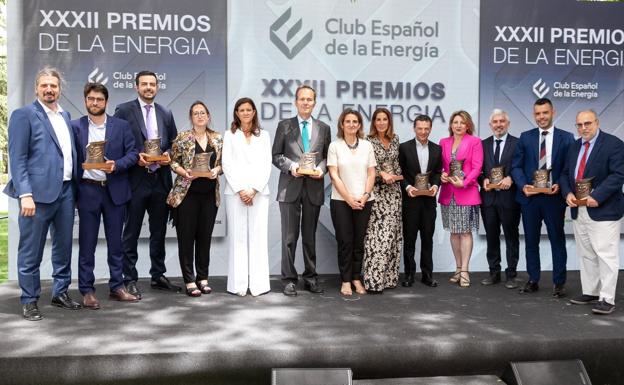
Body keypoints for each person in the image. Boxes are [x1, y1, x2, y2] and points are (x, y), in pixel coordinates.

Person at [4, 67, 81, 320]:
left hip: (66, 191)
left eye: (54, 86)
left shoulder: (65, 114)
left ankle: (60, 293)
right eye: (45, 85)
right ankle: (29, 299)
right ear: (36, 88)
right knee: (31, 250)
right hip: (35, 196)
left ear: (60, 89)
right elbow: (18, 158)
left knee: (63, 248)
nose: (49, 89)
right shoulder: (23, 115)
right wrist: (24, 193)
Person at [72, 83, 139, 308]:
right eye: (91, 99)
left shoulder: (121, 126)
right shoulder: (75, 127)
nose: (95, 103)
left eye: (99, 99)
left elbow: (133, 153)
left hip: (114, 191)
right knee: (87, 244)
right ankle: (87, 290)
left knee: (116, 244)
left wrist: (116, 165)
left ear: (106, 102)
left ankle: (117, 287)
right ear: (85, 101)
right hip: (88, 190)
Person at [114, 70, 179, 299]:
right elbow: (116, 142)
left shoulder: (165, 112)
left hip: (159, 180)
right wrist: (135, 156)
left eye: (152, 84)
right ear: (136, 87)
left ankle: (158, 275)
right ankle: (128, 278)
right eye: (144, 84)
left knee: (158, 231)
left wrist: (169, 154)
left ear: (157, 87)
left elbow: (173, 143)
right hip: (135, 180)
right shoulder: (124, 110)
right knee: (130, 232)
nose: (149, 87)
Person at [561, 110, 624, 314]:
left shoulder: (613, 144)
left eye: (587, 123)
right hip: (579, 210)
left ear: (597, 122)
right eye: (579, 125)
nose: (583, 128)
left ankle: (607, 298)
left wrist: (598, 196)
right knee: (586, 254)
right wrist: (567, 193)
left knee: (605, 255)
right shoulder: (573, 146)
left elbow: (618, 175)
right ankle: (591, 291)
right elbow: (563, 174)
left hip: (603, 209)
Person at [511, 98, 574, 297]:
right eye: (538, 113)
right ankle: (533, 279)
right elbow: (516, 167)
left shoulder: (566, 138)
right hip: (530, 199)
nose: (541, 117)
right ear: (534, 115)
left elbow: (569, 168)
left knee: (557, 239)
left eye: (545, 113)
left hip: (554, 199)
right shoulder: (525, 137)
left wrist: (560, 185)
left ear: (552, 112)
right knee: (531, 241)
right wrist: (523, 186)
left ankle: (559, 282)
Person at [272, 85, 331, 296]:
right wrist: (292, 167)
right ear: (296, 102)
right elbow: (276, 155)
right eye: (302, 99)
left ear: (315, 103)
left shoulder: (324, 128)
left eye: (310, 99)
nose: (306, 102)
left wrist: (320, 170)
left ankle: (310, 277)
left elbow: (327, 157)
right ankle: (289, 279)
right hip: (289, 188)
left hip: (313, 188)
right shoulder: (284, 126)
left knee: (309, 236)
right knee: (289, 237)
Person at [167, 101, 222, 297]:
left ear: (208, 116)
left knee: (204, 238)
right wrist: (184, 172)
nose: (200, 116)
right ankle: (189, 280)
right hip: (186, 195)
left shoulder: (217, 138)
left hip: (209, 196)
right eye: (195, 113)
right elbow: (171, 161)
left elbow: (223, 164)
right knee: (186, 239)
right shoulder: (182, 138)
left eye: (203, 113)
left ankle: (203, 278)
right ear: (191, 117)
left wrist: (216, 170)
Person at [222, 97, 271, 297]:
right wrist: (241, 189)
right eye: (241, 110)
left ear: (254, 112)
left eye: (248, 109)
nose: (245, 113)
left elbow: (266, 164)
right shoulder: (229, 135)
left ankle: (259, 285)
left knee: (259, 237)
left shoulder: (264, 135)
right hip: (235, 193)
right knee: (238, 238)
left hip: (259, 193)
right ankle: (238, 285)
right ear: (236, 113)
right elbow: (227, 164)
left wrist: (254, 189)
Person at [328, 108, 376, 296]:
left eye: (355, 121)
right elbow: (334, 174)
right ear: (342, 124)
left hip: (364, 200)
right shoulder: (335, 146)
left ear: (359, 125)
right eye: (347, 121)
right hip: (341, 201)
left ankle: (357, 277)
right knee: (345, 241)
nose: (351, 124)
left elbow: (371, 172)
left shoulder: (367, 145)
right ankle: (346, 280)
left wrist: (364, 195)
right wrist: (349, 199)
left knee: (358, 242)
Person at [438, 110, 483, 288]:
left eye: (462, 122)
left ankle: (465, 270)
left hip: (466, 192)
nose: (458, 125)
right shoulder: (443, 142)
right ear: (451, 125)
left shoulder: (475, 142)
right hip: (448, 193)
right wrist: (442, 175)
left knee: (465, 232)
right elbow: (441, 166)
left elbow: (478, 167)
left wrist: (464, 182)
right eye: (455, 122)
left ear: (468, 125)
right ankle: (457, 268)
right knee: (454, 232)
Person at [479, 109, 521, 288]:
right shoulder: (482, 144)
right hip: (488, 198)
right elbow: (478, 169)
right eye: (495, 122)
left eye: (502, 121)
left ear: (508, 124)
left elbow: (522, 166)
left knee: (511, 236)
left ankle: (511, 274)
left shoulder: (518, 144)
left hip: (509, 198)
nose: (498, 124)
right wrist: (483, 180)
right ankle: (493, 272)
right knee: (491, 236)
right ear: (490, 125)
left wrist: (511, 178)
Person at [361, 108, 402, 293]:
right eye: (378, 119)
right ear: (373, 122)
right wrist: (380, 174)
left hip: (394, 193)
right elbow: (365, 167)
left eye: (385, 119)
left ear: (389, 121)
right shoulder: (367, 141)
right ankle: (373, 281)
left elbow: (397, 165)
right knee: (376, 238)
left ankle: (388, 279)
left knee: (392, 237)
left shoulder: (395, 139)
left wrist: (397, 176)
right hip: (376, 193)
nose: (381, 122)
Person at [398, 114, 442, 288]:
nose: (423, 132)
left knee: (427, 239)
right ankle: (409, 274)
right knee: (409, 240)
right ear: (414, 128)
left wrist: (436, 186)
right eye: (420, 128)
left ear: (430, 129)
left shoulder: (437, 149)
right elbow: (399, 172)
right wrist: (408, 187)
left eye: (426, 128)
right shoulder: (404, 148)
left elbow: (438, 172)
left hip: (429, 202)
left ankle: (427, 275)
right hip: (411, 201)